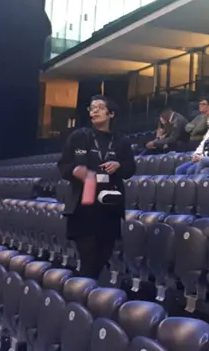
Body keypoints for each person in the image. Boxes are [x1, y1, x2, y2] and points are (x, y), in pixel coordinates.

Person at [57, 95, 136, 279]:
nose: (94, 111)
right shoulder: (79, 137)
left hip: (109, 207)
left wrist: (119, 165)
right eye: (92, 108)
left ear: (111, 114)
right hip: (83, 206)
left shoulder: (121, 141)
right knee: (88, 256)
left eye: (100, 107)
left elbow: (130, 169)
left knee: (103, 254)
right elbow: (62, 165)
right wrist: (75, 169)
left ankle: (85, 292)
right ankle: (83, 296)